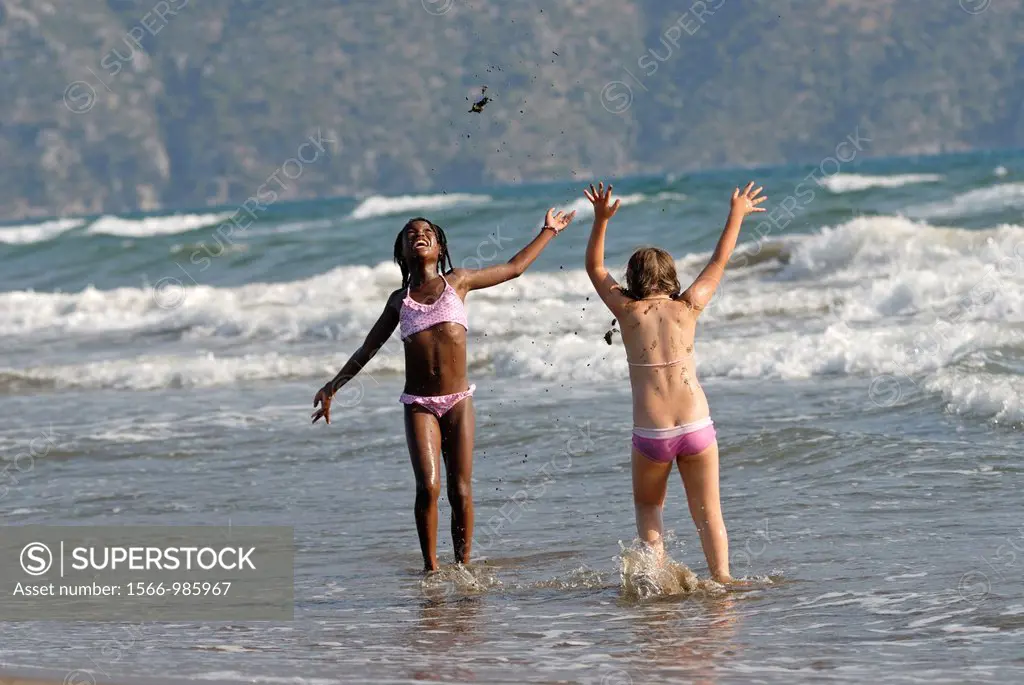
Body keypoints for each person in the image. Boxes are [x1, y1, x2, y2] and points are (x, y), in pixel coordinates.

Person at [312, 209, 577, 571]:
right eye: (409, 234)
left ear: (440, 247)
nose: (418, 235)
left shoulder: (460, 282)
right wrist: (333, 387)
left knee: (461, 490)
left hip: (458, 401)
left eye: (426, 232)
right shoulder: (398, 301)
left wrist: (549, 230)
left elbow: (515, 267)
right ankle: (431, 570)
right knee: (429, 488)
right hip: (420, 404)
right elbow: (367, 349)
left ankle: (463, 567)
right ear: (401, 253)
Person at [583, 181, 766, 583]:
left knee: (649, 508)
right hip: (697, 426)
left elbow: (595, 269)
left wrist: (600, 220)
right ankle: (722, 581)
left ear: (632, 280)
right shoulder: (689, 306)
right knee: (709, 512)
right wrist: (736, 214)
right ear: (672, 278)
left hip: (652, 433)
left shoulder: (628, 310)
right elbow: (719, 261)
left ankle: (656, 582)